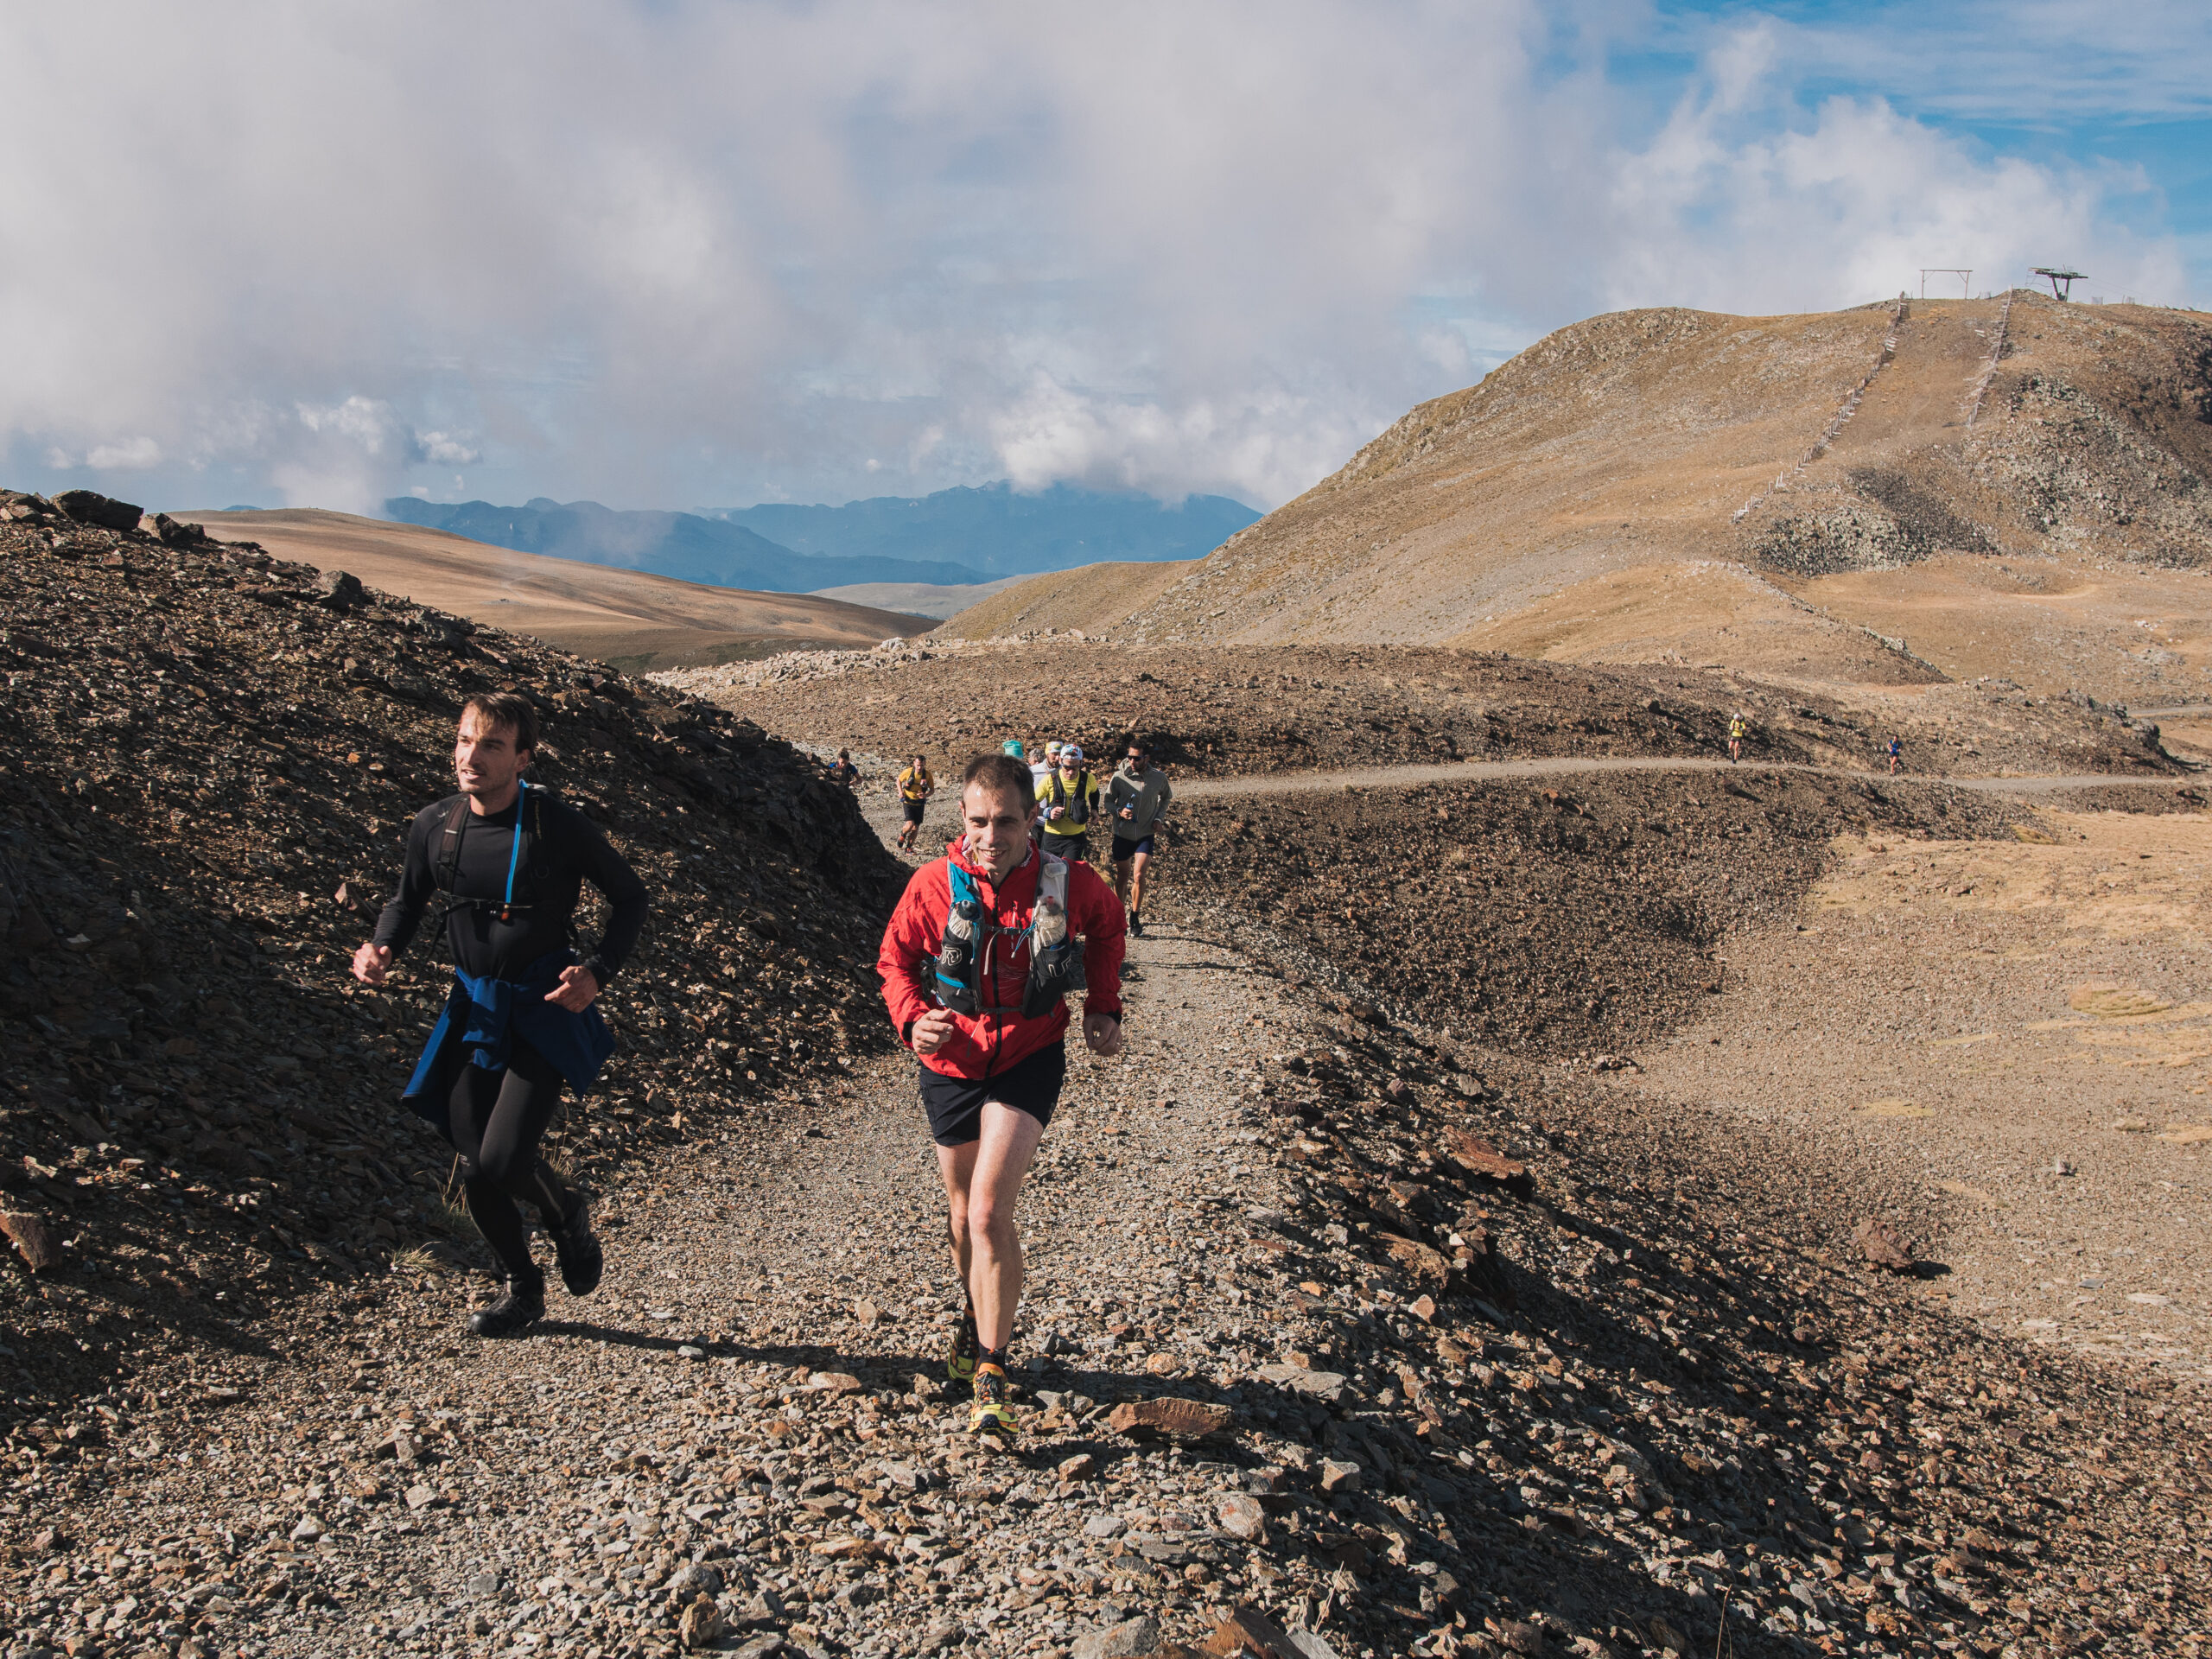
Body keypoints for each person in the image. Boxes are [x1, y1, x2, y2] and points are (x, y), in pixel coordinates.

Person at [353, 693, 649, 1338]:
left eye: (490, 745)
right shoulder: (435, 824)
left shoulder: (555, 825)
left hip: (544, 1007)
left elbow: (630, 898)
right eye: (464, 741)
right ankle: (522, 1285)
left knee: (504, 1158)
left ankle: (567, 1211)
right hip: (474, 1007)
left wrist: (598, 971)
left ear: (523, 757)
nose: (471, 757)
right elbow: (406, 902)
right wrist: (380, 947)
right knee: (473, 1160)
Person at [877, 753, 1127, 1439]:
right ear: (962, 817)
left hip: (1029, 1055)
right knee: (961, 1216)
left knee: (988, 1211)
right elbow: (894, 960)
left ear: (1033, 820)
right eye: (980, 822)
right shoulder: (932, 885)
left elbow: (1109, 927)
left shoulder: (1069, 882)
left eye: (1007, 822)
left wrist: (1104, 1006)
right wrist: (910, 1017)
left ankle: (993, 1365)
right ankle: (975, 1312)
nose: (992, 837)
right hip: (951, 1061)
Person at [1106, 737, 1173, 938]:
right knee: (1123, 875)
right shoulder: (1119, 777)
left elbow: (1166, 797)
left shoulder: (1158, 777)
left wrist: (1159, 818)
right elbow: (1108, 800)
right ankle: (1119, 916)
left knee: (1139, 875)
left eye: (1137, 758)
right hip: (1123, 833)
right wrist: (1119, 812)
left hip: (1145, 833)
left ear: (1146, 758)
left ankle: (1135, 916)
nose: (1132, 762)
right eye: (1129, 757)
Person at [1037, 743, 1100, 865]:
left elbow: (1095, 792)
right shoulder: (1049, 779)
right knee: (1049, 874)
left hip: (1075, 838)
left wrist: (1094, 809)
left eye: (1075, 768)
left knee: (1070, 873)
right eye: (1066, 768)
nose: (1070, 773)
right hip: (1052, 837)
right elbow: (1030, 804)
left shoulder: (1088, 779)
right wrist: (1046, 812)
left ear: (1081, 764)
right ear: (1060, 761)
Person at [895, 754, 935, 852]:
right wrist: (900, 792)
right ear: (914, 764)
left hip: (920, 804)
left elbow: (932, 790)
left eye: (922, 765)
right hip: (908, 801)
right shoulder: (908, 772)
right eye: (918, 765)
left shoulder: (928, 775)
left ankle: (908, 847)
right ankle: (902, 835)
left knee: (916, 827)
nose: (920, 767)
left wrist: (925, 795)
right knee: (909, 825)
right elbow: (898, 780)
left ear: (925, 764)